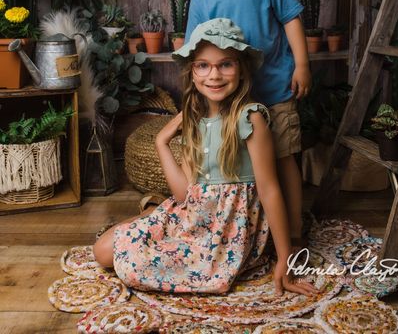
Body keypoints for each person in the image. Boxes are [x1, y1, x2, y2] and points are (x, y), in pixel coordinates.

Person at [93, 18, 316, 297]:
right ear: (192, 72)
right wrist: (163, 141)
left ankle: (152, 213)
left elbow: (270, 191)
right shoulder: (196, 122)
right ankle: (153, 212)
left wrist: (284, 258)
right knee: (101, 252)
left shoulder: (250, 118)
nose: (214, 75)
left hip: (222, 235)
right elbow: (185, 194)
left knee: (131, 261)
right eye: (203, 65)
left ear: (241, 69)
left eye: (225, 64)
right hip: (192, 217)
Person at [185, 0, 312, 249]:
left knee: (284, 159)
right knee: (247, 169)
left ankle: (296, 229)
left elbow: (290, 19)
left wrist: (301, 64)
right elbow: (194, 51)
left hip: (276, 88)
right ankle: (253, 231)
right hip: (233, 101)